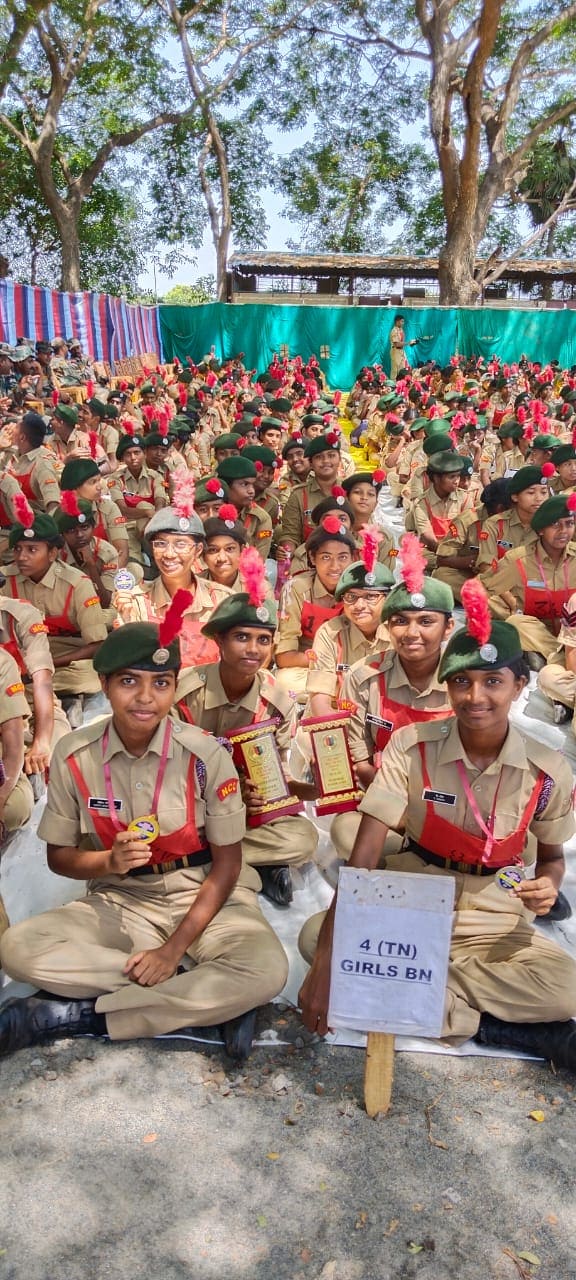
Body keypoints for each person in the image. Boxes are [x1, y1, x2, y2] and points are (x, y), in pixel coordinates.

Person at [298, 600, 576, 1073]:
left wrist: (548, 884)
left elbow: (550, 858)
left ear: (519, 686)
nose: (475, 696)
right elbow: (363, 858)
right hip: (413, 893)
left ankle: (408, 981)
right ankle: (492, 1025)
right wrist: (327, 959)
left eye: (493, 682)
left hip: (493, 909)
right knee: (312, 941)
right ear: (448, 687)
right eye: (461, 681)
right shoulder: (412, 747)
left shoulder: (547, 770)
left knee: (566, 988)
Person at [0, 617, 289, 1062]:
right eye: (129, 681)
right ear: (104, 684)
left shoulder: (204, 755)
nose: (145, 698)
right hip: (122, 899)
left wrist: (171, 951)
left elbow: (228, 865)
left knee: (267, 970)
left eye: (161, 683)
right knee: (19, 948)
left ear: (174, 687)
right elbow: (59, 857)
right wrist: (107, 863)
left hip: (205, 894)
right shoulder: (75, 755)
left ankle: (76, 1016)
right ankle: (206, 999)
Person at [175, 586, 318, 906]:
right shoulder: (183, 693)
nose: (253, 649)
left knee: (303, 839)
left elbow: (276, 778)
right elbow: (160, 770)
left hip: (241, 812)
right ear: (219, 640)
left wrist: (310, 790)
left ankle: (197, 859)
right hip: (187, 804)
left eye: (263, 640)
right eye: (241, 637)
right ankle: (254, 866)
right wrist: (223, 791)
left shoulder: (277, 704)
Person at [3, 508, 108, 704]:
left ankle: (23, 690)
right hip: (19, 655)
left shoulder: (77, 584)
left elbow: (97, 644)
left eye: (31, 550)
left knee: (90, 677)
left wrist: (44, 666)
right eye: (17, 549)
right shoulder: (5, 580)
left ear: (52, 553)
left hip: (64, 657)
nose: (22, 557)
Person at [115, 497, 231, 668]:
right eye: (161, 544)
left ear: (198, 550)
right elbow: (127, 665)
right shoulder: (136, 601)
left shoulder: (223, 600)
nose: (169, 554)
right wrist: (126, 621)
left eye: (180, 544)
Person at [485, 492, 576, 669]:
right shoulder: (519, 560)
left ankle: (547, 659)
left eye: (569, 523)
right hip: (538, 631)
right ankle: (562, 661)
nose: (564, 531)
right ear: (540, 530)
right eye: (555, 524)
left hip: (572, 633)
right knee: (516, 623)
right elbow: (482, 588)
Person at [274, 516, 356, 698]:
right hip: (309, 664)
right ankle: (339, 694)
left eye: (343, 557)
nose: (335, 566)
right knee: (283, 682)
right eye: (326, 557)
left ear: (353, 558)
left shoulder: (360, 590)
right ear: (312, 558)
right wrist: (323, 662)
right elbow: (284, 656)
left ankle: (331, 693)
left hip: (348, 665)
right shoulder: (296, 588)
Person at [476, 465, 550, 576]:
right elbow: (486, 566)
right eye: (531, 493)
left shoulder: (552, 525)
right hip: (501, 582)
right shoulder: (495, 524)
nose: (539, 498)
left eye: (544, 492)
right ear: (515, 496)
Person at [279, 432, 343, 553]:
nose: (325, 461)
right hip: (309, 558)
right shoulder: (298, 495)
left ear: (339, 459)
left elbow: (360, 530)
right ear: (311, 463)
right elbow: (290, 535)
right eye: (319, 457)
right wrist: (287, 551)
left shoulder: (351, 491)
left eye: (331, 455)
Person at [60, 458, 129, 566]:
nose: (99, 487)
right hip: (71, 571)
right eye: (93, 482)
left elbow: (122, 553)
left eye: (99, 480)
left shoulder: (108, 507)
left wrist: (108, 574)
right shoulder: (59, 515)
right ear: (74, 488)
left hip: (106, 566)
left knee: (135, 569)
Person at [215, 456, 273, 562]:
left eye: (252, 484)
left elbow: (259, 561)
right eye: (244, 484)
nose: (251, 491)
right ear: (226, 486)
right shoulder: (212, 512)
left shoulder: (261, 518)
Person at [7, 411, 61, 515]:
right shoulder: (12, 454)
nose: (11, 430)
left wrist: (47, 523)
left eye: (16, 428)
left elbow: (53, 502)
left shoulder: (42, 463)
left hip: (32, 519)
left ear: (22, 437)